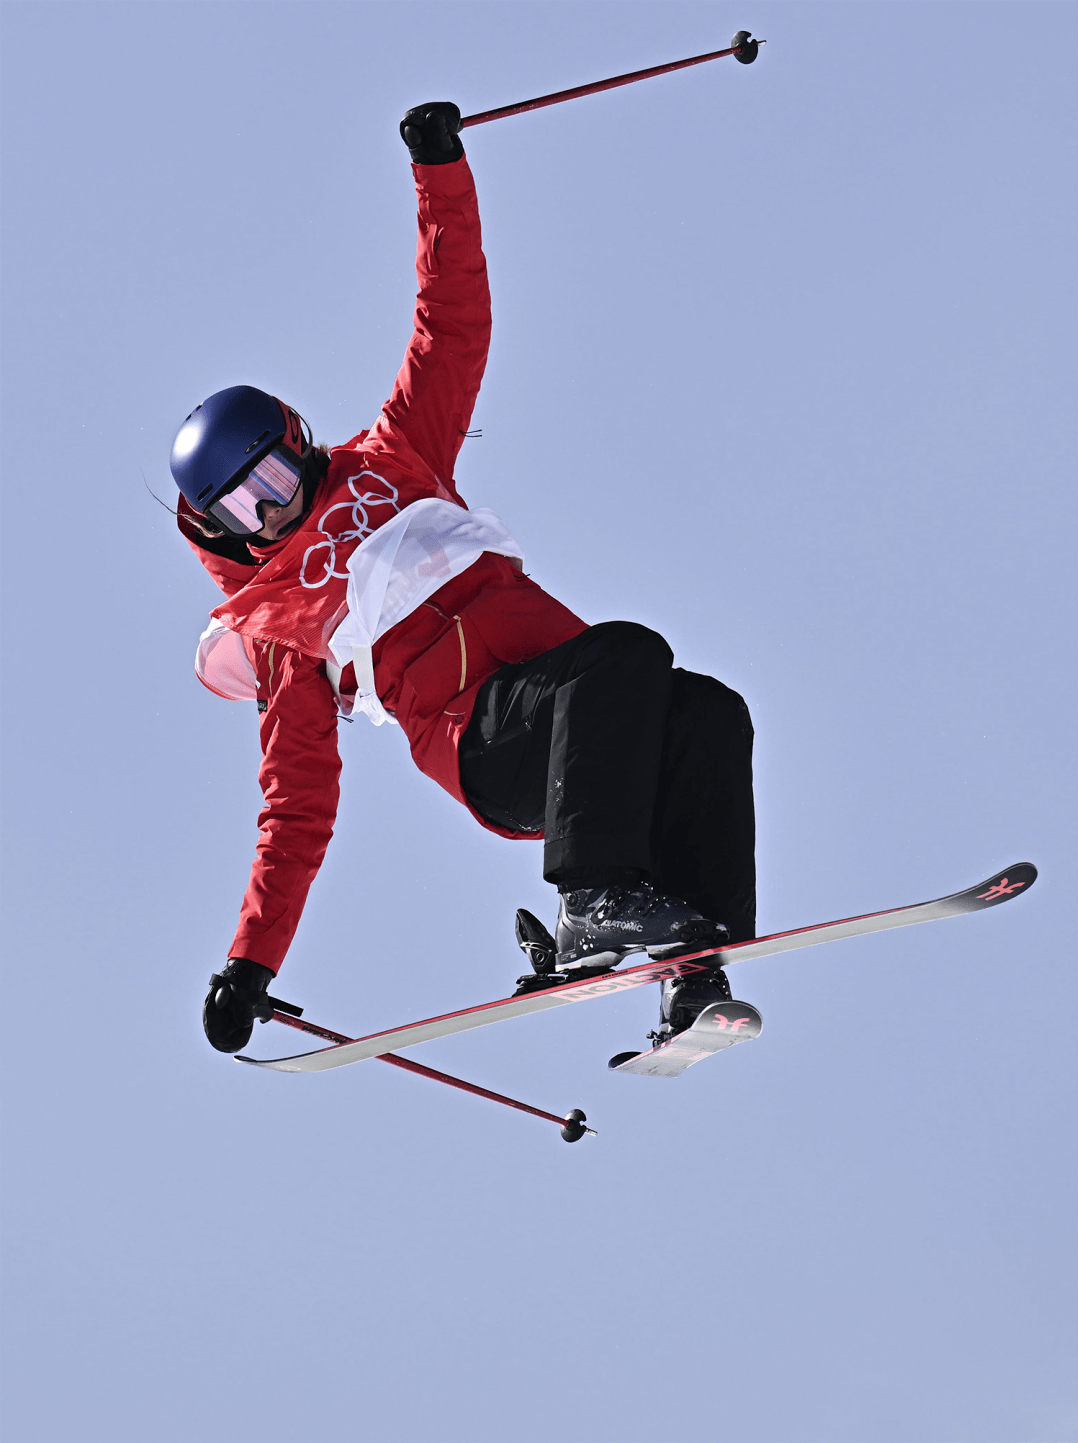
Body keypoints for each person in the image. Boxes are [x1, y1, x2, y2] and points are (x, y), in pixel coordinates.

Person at [171, 104, 756, 1055]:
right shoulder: (279, 622)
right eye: (244, 511)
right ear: (218, 529)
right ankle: (593, 903)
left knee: (709, 713)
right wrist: (250, 964)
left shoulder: (395, 456)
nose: (271, 514)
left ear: (298, 444)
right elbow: (296, 803)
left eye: (274, 479)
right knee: (625, 654)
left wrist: (440, 173)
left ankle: (695, 974)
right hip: (485, 741)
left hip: (580, 718)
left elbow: (451, 322)